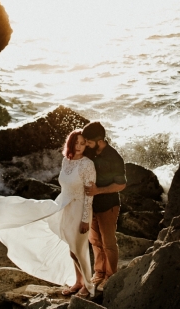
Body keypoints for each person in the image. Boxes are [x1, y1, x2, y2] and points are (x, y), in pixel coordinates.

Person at [0, 129, 97, 297]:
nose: (79, 146)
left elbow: (89, 193)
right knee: (71, 248)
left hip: (80, 209)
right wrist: (57, 206)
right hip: (63, 206)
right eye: (76, 143)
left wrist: (86, 219)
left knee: (79, 249)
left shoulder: (87, 164)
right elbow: (65, 187)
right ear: (71, 143)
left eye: (82, 143)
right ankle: (78, 281)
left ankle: (88, 287)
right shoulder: (68, 161)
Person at [82, 121, 126, 291]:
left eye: (89, 142)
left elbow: (121, 185)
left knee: (108, 242)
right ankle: (99, 272)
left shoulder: (114, 157)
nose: (86, 145)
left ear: (99, 141)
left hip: (108, 205)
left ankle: (111, 275)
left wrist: (98, 190)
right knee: (94, 240)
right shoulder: (91, 152)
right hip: (91, 205)